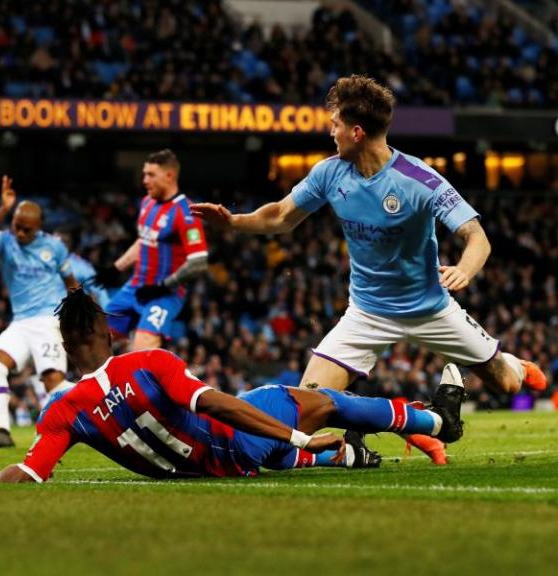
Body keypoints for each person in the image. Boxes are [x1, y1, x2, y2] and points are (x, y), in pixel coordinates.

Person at [191, 74, 546, 465]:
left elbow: (476, 235)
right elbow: (281, 216)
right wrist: (234, 223)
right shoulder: (330, 173)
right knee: (305, 409)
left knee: (509, 384)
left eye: (335, 125)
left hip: (430, 309)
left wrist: (465, 269)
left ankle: (514, 362)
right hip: (366, 313)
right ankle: (416, 421)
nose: (331, 133)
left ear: (356, 132)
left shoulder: (418, 179)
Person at [0, 288, 464, 483]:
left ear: (67, 347)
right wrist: (300, 435)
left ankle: (349, 460)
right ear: (105, 330)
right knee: (318, 401)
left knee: (263, 431)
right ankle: (437, 419)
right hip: (233, 446)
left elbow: (29, 472)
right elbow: (219, 406)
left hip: (205, 468)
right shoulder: (147, 363)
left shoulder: (62, 411)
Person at [0, 175, 78, 448]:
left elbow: (70, 282)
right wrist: (3, 211)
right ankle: (2, 432)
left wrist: (81, 314)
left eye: (26, 230)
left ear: (39, 227)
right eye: (17, 227)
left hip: (48, 319)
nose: (20, 234)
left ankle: (94, 408)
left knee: (53, 382)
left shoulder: (54, 247)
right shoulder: (6, 242)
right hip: (20, 322)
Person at [94, 149, 208, 351]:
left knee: (140, 350)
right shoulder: (147, 203)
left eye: (151, 175)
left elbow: (199, 263)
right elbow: (144, 241)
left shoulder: (186, 213)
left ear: (170, 175)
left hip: (164, 295)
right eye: (144, 174)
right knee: (96, 341)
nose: (144, 180)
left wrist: (163, 286)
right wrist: (115, 269)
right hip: (135, 287)